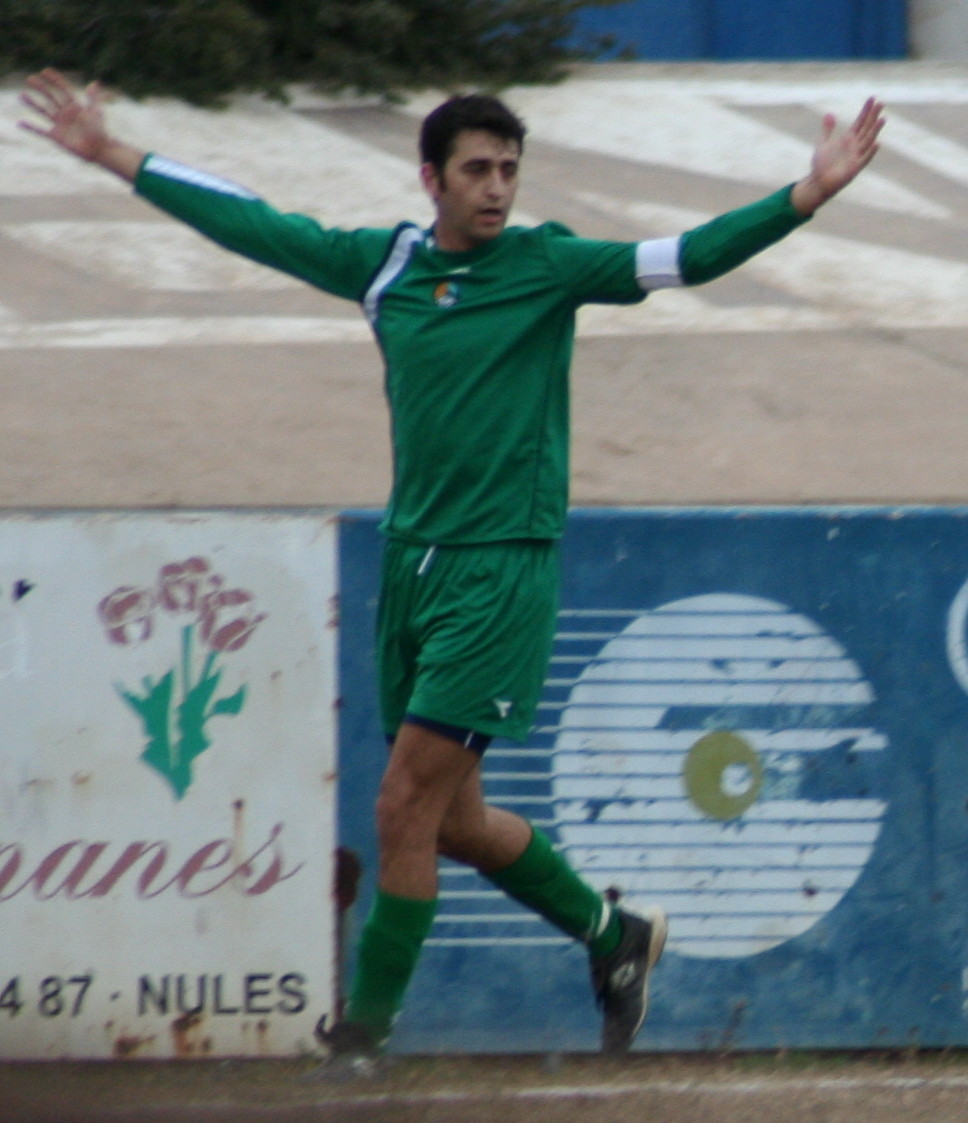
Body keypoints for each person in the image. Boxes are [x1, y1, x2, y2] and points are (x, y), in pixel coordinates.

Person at [19, 68, 885, 1061]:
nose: (496, 186)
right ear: (430, 177)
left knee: (400, 804)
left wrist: (806, 194)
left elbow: (684, 256)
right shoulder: (384, 265)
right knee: (452, 821)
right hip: (412, 568)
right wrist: (112, 151)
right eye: (477, 169)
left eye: (508, 169)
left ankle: (363, 1037)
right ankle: (614, 934)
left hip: (498, 572)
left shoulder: (548, 265)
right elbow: (251, 222)